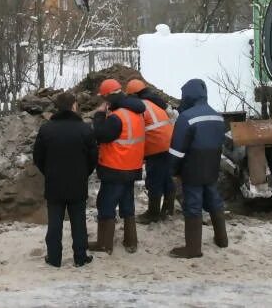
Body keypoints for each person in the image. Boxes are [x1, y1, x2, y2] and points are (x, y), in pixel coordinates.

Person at [33, 91, 98, 268]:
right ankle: (80, 257)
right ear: (73, 106)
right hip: (78, 182)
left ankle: (54, 258)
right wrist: (84, 172)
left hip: (54, 182)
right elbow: (93, 157)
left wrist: (49, 172)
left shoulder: (46, 129)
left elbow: (38, 157)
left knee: (54, 222)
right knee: (79, 221)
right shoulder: (84, 129)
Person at [168, 78, 228, 259]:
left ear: (188, 95)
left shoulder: (186, 118)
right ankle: (222, 239)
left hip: (192, 167)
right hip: (212, 166)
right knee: (214, 198)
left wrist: (172, 170)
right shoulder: (218, 116)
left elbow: (177, 151)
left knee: (193, 204)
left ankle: (193, 249)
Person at [89, 78, 146, 255]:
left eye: (105, 99)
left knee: (105, 203)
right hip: (132, 167)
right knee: (127, 203)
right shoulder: (136, 113)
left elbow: (100, 134)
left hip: (115, 167)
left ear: (109, 97)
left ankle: (104, 244)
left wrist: (99, 115)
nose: (104, 103)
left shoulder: (118, 117)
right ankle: (131, 241)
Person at [125, 78, 177, 224]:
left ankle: (153, 214)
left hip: (156, 146)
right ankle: (168, 210)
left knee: (154, 179)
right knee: (166, 176)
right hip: (169, 144)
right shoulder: (155, 103)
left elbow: (136, 129)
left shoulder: (140, 106)